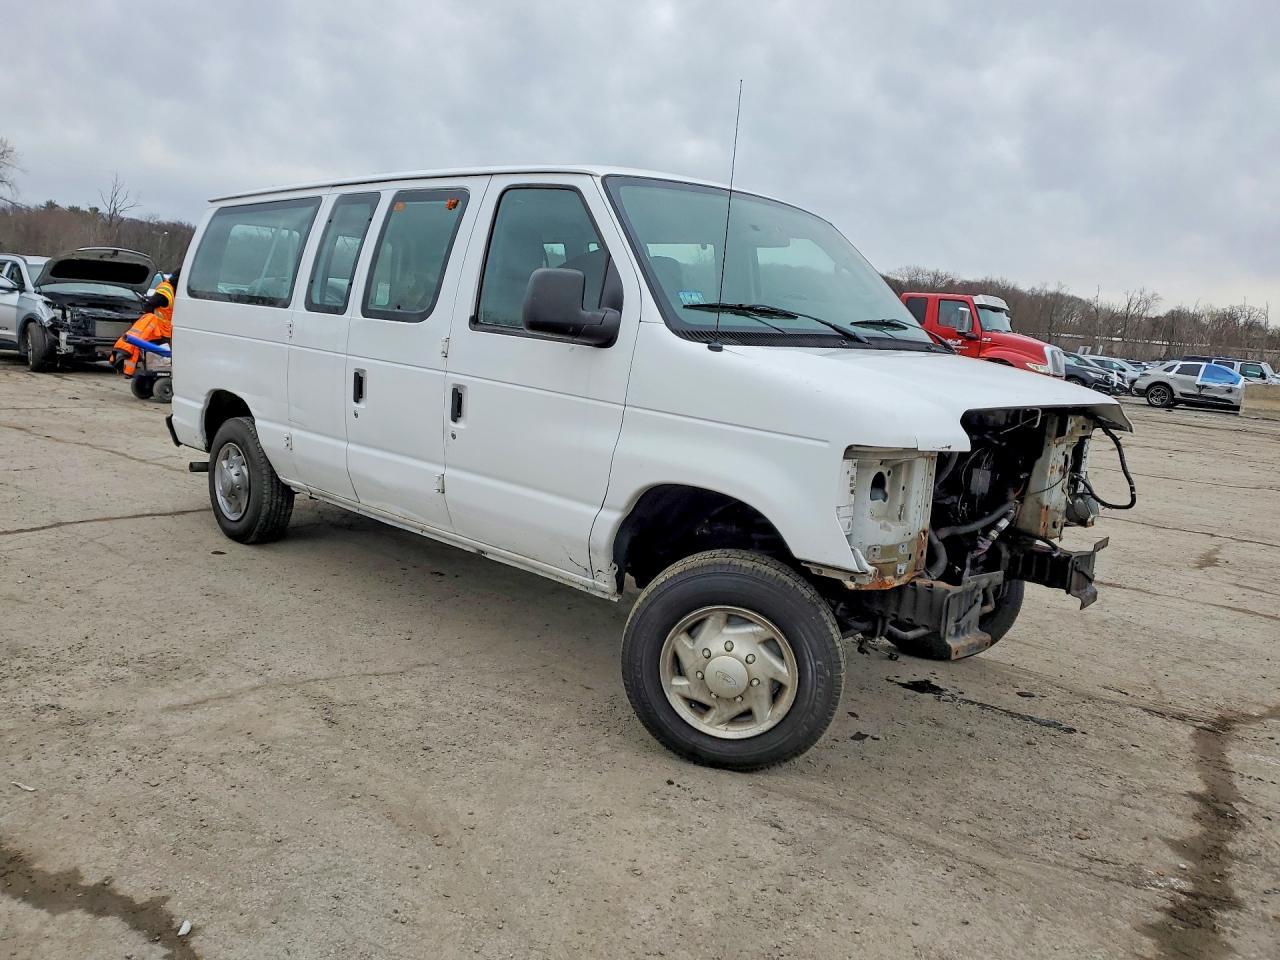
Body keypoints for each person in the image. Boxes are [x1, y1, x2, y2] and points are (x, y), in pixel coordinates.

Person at [110, 268, 179, 377]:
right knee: (159, 359)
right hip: (157, 331)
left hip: (164, 331)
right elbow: (149, 306)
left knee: (159, 359)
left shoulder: (171, 291)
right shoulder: (166, 292)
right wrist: (153, 320)